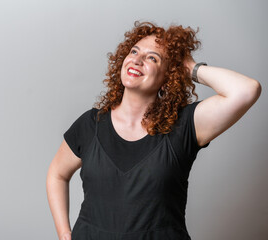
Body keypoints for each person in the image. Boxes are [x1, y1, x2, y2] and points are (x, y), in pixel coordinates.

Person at [46, 21, 261, 240]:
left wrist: (188, 66)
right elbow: (57, 174)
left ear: (169, 77)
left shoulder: (184, 126)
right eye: (134, 51)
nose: (137, 59)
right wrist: (64, 233)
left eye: (152, 58)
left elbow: (246, 90)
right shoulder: (90, 125)